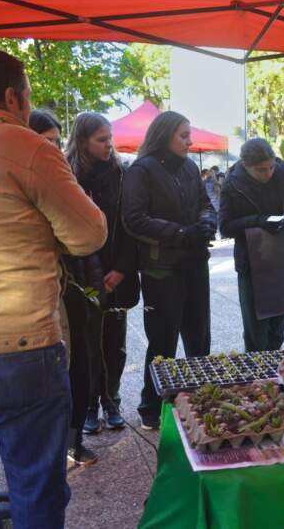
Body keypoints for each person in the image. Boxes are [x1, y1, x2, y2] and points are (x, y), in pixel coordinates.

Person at [0, 48, 106, 528]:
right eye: (28, 96)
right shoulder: (28, 146)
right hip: (21, 341)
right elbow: (88, 234)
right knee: (34, 483)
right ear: (12, 96)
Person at [123, 111, 216, 430]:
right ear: (164, 135)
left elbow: (206, 202)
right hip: (161, 269)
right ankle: (151, 406)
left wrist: (207, 222)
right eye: (184, 135)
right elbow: (133, 219)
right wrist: (178, 233)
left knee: (199, 335)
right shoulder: (141, 170)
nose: (190, 141)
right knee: (163, 340)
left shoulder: (191, 167)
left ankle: (200, 396)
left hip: (195, 262)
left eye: (189, 135)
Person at [64, 113, 139, 442]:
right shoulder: (65, 173)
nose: (109, 144)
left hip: (116, 270)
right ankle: (91, 404)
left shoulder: (122, 175)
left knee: (115, 344)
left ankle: (112, 401)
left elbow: (128, 226)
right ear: (82, 141)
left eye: (110, 137)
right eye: (101, 139)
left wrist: (122, 269)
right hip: (81, 274)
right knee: (86, 345)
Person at [219, 138, 284, 352]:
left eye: (271, 167)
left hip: (282, 257)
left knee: (277, 331)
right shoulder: (232, 183)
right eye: (261, 170)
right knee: (256, 331)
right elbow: (225, 226)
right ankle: (256, 377)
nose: (268, 173)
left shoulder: (283, 173)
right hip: (251, 262)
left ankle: (275, 373)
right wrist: (259, 221)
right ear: (245, 165)